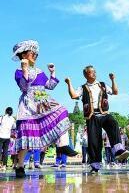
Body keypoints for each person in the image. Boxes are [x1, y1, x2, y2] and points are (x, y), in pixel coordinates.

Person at [12, 40, 77, 178]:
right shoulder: (18, 72)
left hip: (43, 102)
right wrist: (24, 70)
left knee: (61, 111)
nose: (35, 55)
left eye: (36, 53)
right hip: (29, 104)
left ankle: (63, 144)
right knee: (27, 135)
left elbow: (50, 86)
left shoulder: (39, 71)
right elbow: (24, 87)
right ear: (24, 54)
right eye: (32, 52)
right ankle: (20, 165)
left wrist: (52, 73)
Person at [65, 65, 129, 173]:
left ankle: (118, 151)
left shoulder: (102, 85)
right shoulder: (83, 87)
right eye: (91, 72)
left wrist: (113, 80)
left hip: (104, 113)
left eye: (95, 71)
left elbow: (115, 91)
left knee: (113, 123)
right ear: (86, 75)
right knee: (94, 140)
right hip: (92, 115)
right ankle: (95, 164)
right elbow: (73, 95)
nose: (94, 73)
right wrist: (69, 83)